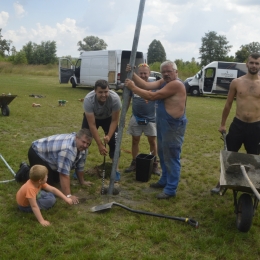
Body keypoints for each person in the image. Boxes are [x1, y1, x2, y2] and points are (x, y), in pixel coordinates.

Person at [125, 60, 187, 199]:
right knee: (163, 155)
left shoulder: (176, 84)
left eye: (169, 71)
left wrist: (133, 88)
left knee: (171, 157)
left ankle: (171, 189)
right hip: (163, 123)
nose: (166, 74)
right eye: (163, 71)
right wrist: (133, 74)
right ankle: (164, 180)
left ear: (176, 72)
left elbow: (152, 96)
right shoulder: (163, 82)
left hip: (173, 126)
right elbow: (146, 85)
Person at [211, 53, 260, 194]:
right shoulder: (236, 82)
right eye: (252, 63)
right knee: (229, 156)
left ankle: (252, 187)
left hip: (256, 127)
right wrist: (222, 124)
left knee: (254, 159)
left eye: (257, 63)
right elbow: (227, 105)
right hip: (238, 125)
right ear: (247, 64)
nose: (254, 66)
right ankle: (221, 184)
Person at [16, 128, 93, 204]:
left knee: (56, 180)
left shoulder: (83, 148)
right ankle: (25, 171)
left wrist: (82, 182)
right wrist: (68, 196)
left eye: (88, 144)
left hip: (51, 158)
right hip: (37, 152)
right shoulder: (68, 150)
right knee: (45, 184)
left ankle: (42, 171)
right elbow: (63, 174)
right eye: (83, 142)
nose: (85, 145)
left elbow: (80, 166)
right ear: (76, 137)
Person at [82, 79, 122, 181]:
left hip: (108, 119)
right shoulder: (88, 100)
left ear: (109, 90)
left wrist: (108, 135)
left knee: (114, 142)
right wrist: (100, 144)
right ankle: (79, 168)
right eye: (100, 92)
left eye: (106, 92)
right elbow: (92, 125)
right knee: (83, 140)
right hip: (93, 118)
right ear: (95, 91)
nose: (104, 95)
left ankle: (115, 170)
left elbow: (114, 120)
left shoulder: (115, 99)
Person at [124, 63, 160, 176]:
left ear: (149, 73)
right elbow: (127, 100)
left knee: (152, 141)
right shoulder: (132, 85)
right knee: (135, 140)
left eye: (145, 73)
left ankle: (154, 164)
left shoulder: (153, 85)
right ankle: (134, 162)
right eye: (141, 73)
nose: (143, 75)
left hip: (151, 118)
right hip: (136, 117)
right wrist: (123, 115)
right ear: (138, 73)